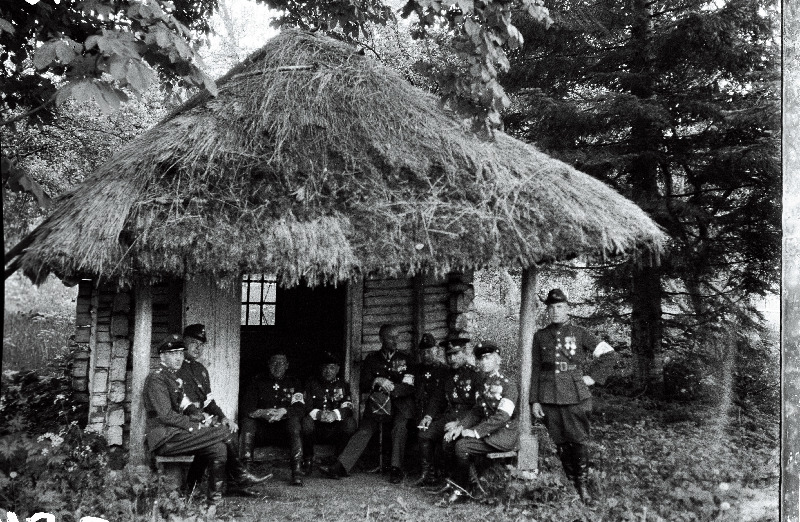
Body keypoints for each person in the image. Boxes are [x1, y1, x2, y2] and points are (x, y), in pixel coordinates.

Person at [144, 334, 269, 506]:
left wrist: (202, 415)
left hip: (176, 434)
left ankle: (213, 503)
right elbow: (166, 415)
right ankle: (240, 475)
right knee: (224, 432)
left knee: (218, 448)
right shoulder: (157, 379)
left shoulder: (173, 378)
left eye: (180, 353)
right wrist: (194, 424)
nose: (178, 357)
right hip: (164, 438)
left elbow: (186, 404)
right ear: (162, 356)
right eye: (173, 354)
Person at [529, 288, 615, 504]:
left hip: (575, 394)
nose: (555, 311)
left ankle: (583, 486)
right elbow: (536, 368)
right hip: (548, 396)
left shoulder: (580, 333)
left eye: (559, 307)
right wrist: (534, 399)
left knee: (577, 441)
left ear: (567, 308)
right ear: (547, 310)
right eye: (551, 307)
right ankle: (570, 483)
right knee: (560, 442)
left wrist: (592, 378)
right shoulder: (540, 336)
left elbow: (609, 355)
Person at [320, 324, 415, 484]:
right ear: (381, 339)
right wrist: (377, 380)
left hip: (400, 405)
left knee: (399, 427)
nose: (395, 341)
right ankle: (341, 466)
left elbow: (409, 386)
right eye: (391, 337)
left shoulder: (405, 359)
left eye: (396, 337)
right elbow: (364, 385)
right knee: (364, 430)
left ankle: (396, 469)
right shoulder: (372, 359)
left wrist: (392, 387)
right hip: (378, 404)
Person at [442, 341, 518, 504]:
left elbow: (502, 417)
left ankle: (462, 491)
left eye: (488, 358)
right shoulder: (484, 383)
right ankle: (460, 483)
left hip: (503, 435)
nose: (484, 362)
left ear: (498, 360)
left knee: (462, 446)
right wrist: (460, 427)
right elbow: (477, 411)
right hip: (489, 433)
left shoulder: (508, 384)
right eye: (481, 359)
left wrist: (475, 432)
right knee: (449, 440)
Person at [176, 323, 238, 492]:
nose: (198, 348)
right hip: (184, 420)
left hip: (200, 418)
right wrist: (205, 419)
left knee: (228, 429)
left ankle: (230, 482)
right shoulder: (176, 367)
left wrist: (224, 417)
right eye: (194, 343)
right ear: (184, 342)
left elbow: (209, 402)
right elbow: (179, 404)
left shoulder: (201, 370)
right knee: (215, 435)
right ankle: (236, 480)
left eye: (201, 345)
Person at [240, 352, 306, 486]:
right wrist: (262, 412)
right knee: (247, 423)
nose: (277, 366)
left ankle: (297, 471)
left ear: (287, 365)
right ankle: (245, 472)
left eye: (281, 363)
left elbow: (300, 408)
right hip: (262, 431)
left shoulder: (294, 383)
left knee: (294, 423)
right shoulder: (257, 381)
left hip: (284, 433)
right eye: (274, 363)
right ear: (268, 365)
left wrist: (284, 411)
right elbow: (246, 408)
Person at [300, 351, 357, 475]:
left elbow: (348, 407)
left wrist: (334, 414)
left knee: (350, 423)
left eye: (332, 368)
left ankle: (338, 461)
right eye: (325, 368)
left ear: (337, 369)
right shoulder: (311, 383)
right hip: (316, 429)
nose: (328, 371)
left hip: (334, 429)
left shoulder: (343, 385)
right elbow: (306, 407)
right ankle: (308, 460)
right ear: (320, 369)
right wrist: (319, 414)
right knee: (306, 422)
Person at [412, 333, 448, 486]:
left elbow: (440, 398)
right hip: (419, 411)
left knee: (431, 435)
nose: (426, 355)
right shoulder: (416, 369)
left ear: (436, 351)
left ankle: (435, 473)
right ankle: (427, 473)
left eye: (429, 351)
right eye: (423, 352)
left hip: (438, 413)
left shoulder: (444, 370)